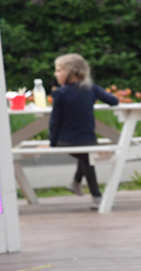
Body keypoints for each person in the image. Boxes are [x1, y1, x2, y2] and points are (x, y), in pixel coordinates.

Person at [49, 53, 120, 210]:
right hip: (87, 140)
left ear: (72, 73)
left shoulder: (60, 93)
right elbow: (113, 101)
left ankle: (78, 184)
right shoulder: (91, 89)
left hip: (64, 141)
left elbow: (54, 121)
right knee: (87, 157)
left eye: (59, 70)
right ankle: (95, 196)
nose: (56, 74)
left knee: (86, 156)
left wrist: (52, 143)